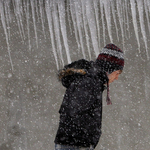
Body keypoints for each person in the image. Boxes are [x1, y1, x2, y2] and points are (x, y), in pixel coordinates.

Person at [54, 43, 124, 150]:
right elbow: (74, 112)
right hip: (75, 145)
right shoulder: (90, 82)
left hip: (74, 144)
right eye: (117, 73)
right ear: (108, 69)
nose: (117, 77)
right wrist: (89, 136)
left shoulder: (92, 81)